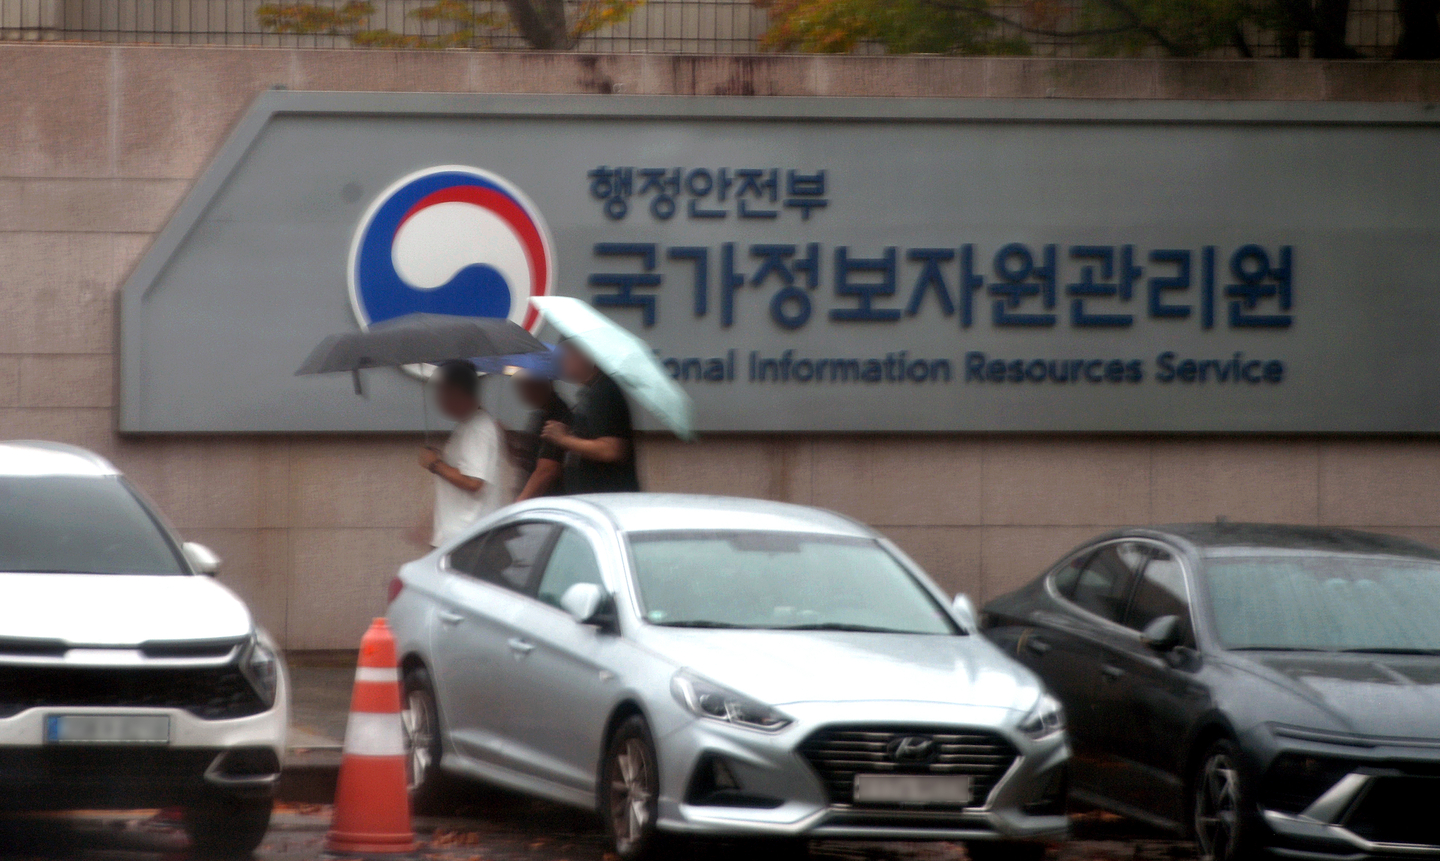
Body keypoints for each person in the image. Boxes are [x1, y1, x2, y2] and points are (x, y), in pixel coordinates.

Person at [416, 360, 507, 547]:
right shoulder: (470, 424)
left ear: (457, 392)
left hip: (467, 540)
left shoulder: (477, 427)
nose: (439, 400)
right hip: (462, 537)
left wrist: (435, 464)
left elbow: (474, 482)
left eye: (443, 392)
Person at [540, 342, 641, 494]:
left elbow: (612, 449)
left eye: (565, 355)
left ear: (585, 355)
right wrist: (569, 435)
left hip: (608, 499)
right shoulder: (590, 392)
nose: (560, 362)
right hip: (591, 498)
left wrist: (563, 439)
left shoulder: (604, 391)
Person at [513, 373, 572, 501]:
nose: (525, 392)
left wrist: (519, 503)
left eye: (531, 385)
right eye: (522, 385)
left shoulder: (558, 416)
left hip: (551, 501)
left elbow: (547, 470)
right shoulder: (540, 415)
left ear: (548, 384)